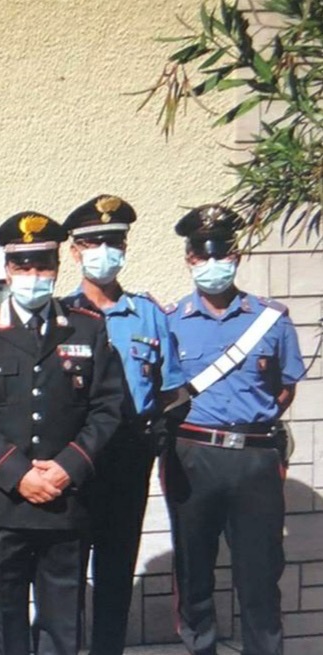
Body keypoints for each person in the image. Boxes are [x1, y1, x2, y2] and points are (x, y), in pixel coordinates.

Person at [0, 211, 124, 655]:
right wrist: (17, 474)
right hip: (2, 504)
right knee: (1, 620)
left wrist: (67, 468)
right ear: (7, 270)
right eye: (24, 266)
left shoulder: (87, 327)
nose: (34, 275)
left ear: (57, 267)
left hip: (66, 502)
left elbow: (109, 409)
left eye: (43, 265)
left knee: (63, 622)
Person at [164, 204, 305, 655]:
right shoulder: (170, 320)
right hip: (192, 454)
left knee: (260, 574)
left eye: (221, 254)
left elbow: (284, 388)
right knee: (193, 570)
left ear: (236, 256)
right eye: (202, 256)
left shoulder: (271, 318)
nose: (212, 265)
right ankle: (200, 648)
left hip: (254, 459)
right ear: (189, 260)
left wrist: (248, 422)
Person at [60, 195, 187, 655]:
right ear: (75, 251)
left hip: (128, 459)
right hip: (74, 460)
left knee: (116, 571)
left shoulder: (148, 313)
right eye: (93, 242)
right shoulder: (61, 315)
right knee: (67, 573)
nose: (104, 251)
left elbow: (171, 390)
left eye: (114, 242)